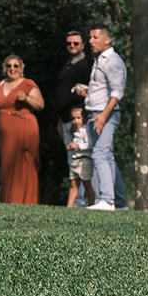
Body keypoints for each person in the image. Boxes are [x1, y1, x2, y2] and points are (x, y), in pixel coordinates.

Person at [75, 25, 126, 211]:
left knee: (100, 154)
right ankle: (121, 204)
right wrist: (87, 92)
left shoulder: (112, 61)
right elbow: (103, 89)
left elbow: (117, 92)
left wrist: (103, 116)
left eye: (95, 37)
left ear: (107, 40)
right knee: (107, 157)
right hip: (95, 112)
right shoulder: (99, 59)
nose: (90, 41)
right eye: (90, 37)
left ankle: (108, 201)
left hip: (105, 114)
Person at [0, 55, 44, 204]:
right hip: (6, 133)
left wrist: (26, 98)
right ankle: (9, 201)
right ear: (5, 68)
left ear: (21, 68)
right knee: (8, 166)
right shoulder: (0, 84)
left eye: (15, 66)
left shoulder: (28, 83)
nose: (12, 69)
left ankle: (27, 201)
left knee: (25, 165)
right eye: (9, 66)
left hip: (24, 128)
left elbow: (40, 104)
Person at [56, 30, 91, 206]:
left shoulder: (87, 65)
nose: (72, 46)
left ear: (82, 45)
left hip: (79, 119)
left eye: (76, 43)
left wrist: (81, 118)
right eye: (69, 43)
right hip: (65, 119)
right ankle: (77, 202)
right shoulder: (67, 65)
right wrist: (60, 119)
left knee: (84, 160)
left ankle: (85, 201)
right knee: (73, 161)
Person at [64, 106, 95, 207]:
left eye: (78, 118)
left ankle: (91, 205)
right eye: (73, 118)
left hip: (84, 160)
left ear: (84, 117)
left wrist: (77, 146)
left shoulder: (86, 129)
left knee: (87, 184)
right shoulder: (75, 130)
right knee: (73, 183)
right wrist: (71, 146)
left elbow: (90, 144)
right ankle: (69, 206)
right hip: (75, 159)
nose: (75, 121)